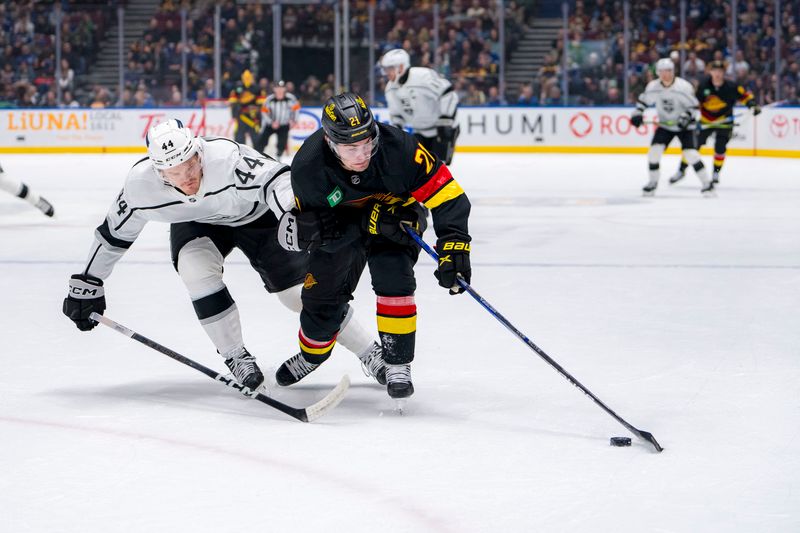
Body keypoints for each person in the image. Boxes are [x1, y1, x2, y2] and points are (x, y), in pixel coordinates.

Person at [62, 119, 385, 391]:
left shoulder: (227, 158)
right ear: (158, 172)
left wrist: (293, 213)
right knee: (194, 268)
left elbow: (278, 179)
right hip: (199, 224)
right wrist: (89, 282)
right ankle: (235, 355)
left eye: (190, 163)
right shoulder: (139, 187)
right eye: (174, 171)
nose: (187, 176)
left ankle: (370, 352)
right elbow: (113, 235)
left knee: (298, 296)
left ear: (199, 151)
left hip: (259, 217)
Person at [274, 92, 472, 401]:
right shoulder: (309, 168)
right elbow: (318, 227)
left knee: (394, 275)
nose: (362, 155)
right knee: (320, 296)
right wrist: (367, 220)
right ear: (329, 141)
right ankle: (312, 355)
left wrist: (456, 245)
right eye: (351, 148)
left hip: (398, 220)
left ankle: (397, 362)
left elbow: (448, 194)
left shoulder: (400, 149)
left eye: (367, 142)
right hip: (342, 230)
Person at [630, 58, 715, 197]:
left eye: (668, 71)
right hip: (665, 125)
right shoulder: (653, 87)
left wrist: (685, 117)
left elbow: (693, 106)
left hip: (685, 127)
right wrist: (637, 114)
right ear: (658, 72)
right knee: (654, 152)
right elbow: (643, 102)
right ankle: (652, 183)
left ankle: (707, 185)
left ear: (673, 71)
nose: (665, 74)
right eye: (662, 71)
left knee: (691, 154)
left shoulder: (683, 86)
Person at [669, 60, 761, 187]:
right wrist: (687, 115)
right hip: (706, 122)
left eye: (720, 71)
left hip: (724, 122)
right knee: (692, 148)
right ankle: (681, 170)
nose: (717, 74)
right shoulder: (703, 86)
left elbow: (745, 96)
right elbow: (693, 102)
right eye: (715, 71)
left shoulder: (731, 86)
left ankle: (716, 173)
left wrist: (752, 105)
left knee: (720, 149)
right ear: (710, 72)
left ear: (723, 73)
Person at [380, 48, 460, 165]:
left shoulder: (423, 76)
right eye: (385, 69)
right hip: (420, 132)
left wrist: (446, 119)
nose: (387, 73)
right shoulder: (390, 89)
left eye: (390, 68)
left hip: (442, 130)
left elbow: (448, 93)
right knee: (420, 169)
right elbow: (397, 116)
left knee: (440, 168)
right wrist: (395, 132)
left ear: (401, 67)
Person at [255, 80, 300, 160]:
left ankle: (279, 157)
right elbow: (264, 112)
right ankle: (257, 157)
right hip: (270, 125)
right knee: (262, 141)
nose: (279, 90)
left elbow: (296, 109)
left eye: (281, 88)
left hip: (284, 124)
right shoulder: (269, 99)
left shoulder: (291, 98)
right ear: (274, 89)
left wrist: (294, 121)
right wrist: (271, 122)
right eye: (277, 88)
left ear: (285, 89)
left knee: (282, 143)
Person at [228, 69, 266, 148]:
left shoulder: (257, 89)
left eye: (249, 77)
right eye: (245, 77)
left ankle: (259, 153)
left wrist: (256, 110)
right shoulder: (237, 88)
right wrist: (234, 115)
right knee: (239, 137)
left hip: (254, 117)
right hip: (241, 116)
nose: (247, 79)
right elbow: (233, 102)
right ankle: (240, 153)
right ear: (242, 77)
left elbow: (262, 104)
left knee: (256, 137)